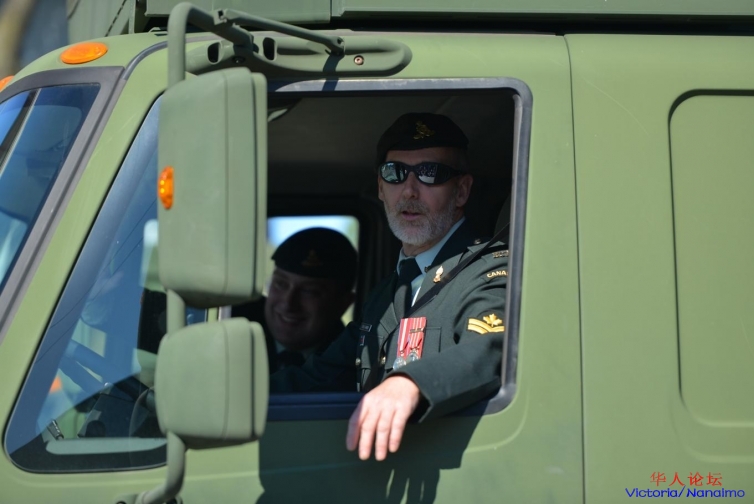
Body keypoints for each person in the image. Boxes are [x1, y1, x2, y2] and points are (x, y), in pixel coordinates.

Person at [270, 113, 509, 461]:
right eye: (394, 173)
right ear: (381, 188)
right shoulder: (388, 290)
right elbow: (321, 377)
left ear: (461, 191)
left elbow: (491, 348)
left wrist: (410, 383)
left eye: (430, 174)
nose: (409, 191)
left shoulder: (489, 272)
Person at [233, 227, 357, 374]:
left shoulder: (350, 362)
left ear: (343, 304)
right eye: (280, 284)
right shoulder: (232, 325)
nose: (288, 303)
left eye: (308, 291)